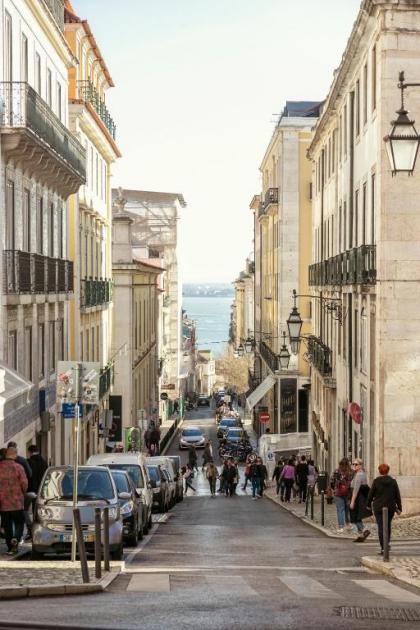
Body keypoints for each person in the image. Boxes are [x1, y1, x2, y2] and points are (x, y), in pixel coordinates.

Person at [367, 463, 402, 555]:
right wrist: (399, 508)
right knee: (387, 525)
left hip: (378, 507)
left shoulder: (376, 481)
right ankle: (387, 543)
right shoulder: (393, 481)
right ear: (388, 471)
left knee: (381, 526)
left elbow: (370, 494)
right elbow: (397, 495)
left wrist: (368, 505)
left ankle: (383, 547)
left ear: (379, 471)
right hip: (390, 507)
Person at [0, 447, 28, 555]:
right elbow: (24, 484)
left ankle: (10, 547)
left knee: (7, 526)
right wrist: (23, 492)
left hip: (3, 503)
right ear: (14, 455)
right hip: (17, 502)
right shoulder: (18, 467)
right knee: (19, 522)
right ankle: (16, 539)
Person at [25, 445, 48, 540]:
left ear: (30, 452)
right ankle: (37, 531)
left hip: (30, 490)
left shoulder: (28, 462)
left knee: (25, 510)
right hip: (41, 490)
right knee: (37, 511)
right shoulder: (44, 462)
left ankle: (30, 530)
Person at [349, 458, 371, 542]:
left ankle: (364, 530)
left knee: (355, 517)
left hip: (357, 497)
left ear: (360, 465)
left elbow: (356, 489)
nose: (354, 466)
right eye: (353, 464)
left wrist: (352, 501)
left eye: (356, 464)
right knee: (357, 516)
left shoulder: (359, 475)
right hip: (359, 497)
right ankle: (361, 535)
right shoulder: (361, 473)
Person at [330, 457, 352, 533]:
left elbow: (332, 481)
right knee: (347, 509)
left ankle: (341, 527)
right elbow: (353, 483)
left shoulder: (336, 471)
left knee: (340, 510)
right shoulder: (350, 472)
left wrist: (334, 489)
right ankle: (348, 524)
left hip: (338, 493)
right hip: (348, 493)